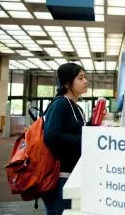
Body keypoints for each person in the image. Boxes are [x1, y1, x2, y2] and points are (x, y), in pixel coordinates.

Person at [42, 63, 88, 214]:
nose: (85, 81)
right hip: (59, 177)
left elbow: (76, 131)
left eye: (85, 77)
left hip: (70, 174)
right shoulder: (60, 104)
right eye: (80, 78)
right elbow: (52, 136)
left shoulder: (76, 107)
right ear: (67, 83)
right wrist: (84, 140)